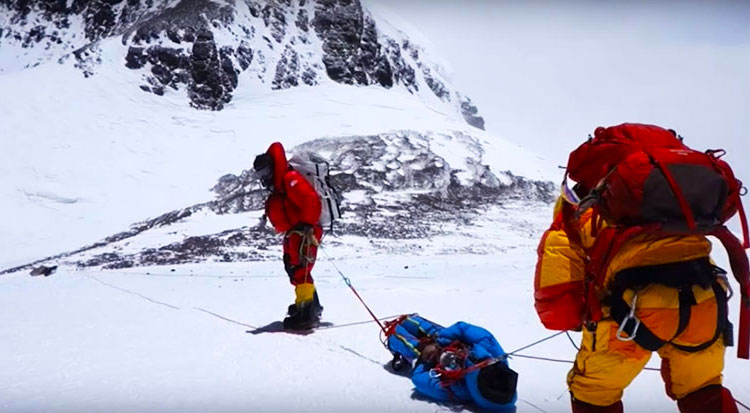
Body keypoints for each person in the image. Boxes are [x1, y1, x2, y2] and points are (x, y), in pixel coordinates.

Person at [534, 124, 743, 413]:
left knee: (594, 394)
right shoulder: (681, 206)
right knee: (702, 390)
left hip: (628, 313)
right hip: (705, 301)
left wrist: (575, 318)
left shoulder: (578, 214)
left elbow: (557, 290)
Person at [254, 142, 324, 330]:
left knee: (301, 269)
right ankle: (310, 306)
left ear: (271, 168)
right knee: (294, 268)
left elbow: (310, 200)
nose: (263, 178)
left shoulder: (289, 179)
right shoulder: (278, 185)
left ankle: (305, 315)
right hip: (294, 233)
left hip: (304, 232)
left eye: (264, 172)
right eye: (259, 175)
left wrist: (307, 224)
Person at [385, 314, 518, 412]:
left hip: (431, 361)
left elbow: (420, 380)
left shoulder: (460, 391)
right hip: (449, 341)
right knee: (429, 330)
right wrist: (439, 342)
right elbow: (464, 328)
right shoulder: (494, 354)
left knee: (412, 346)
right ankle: (407, 322)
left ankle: (394, 334)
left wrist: (424, 360)